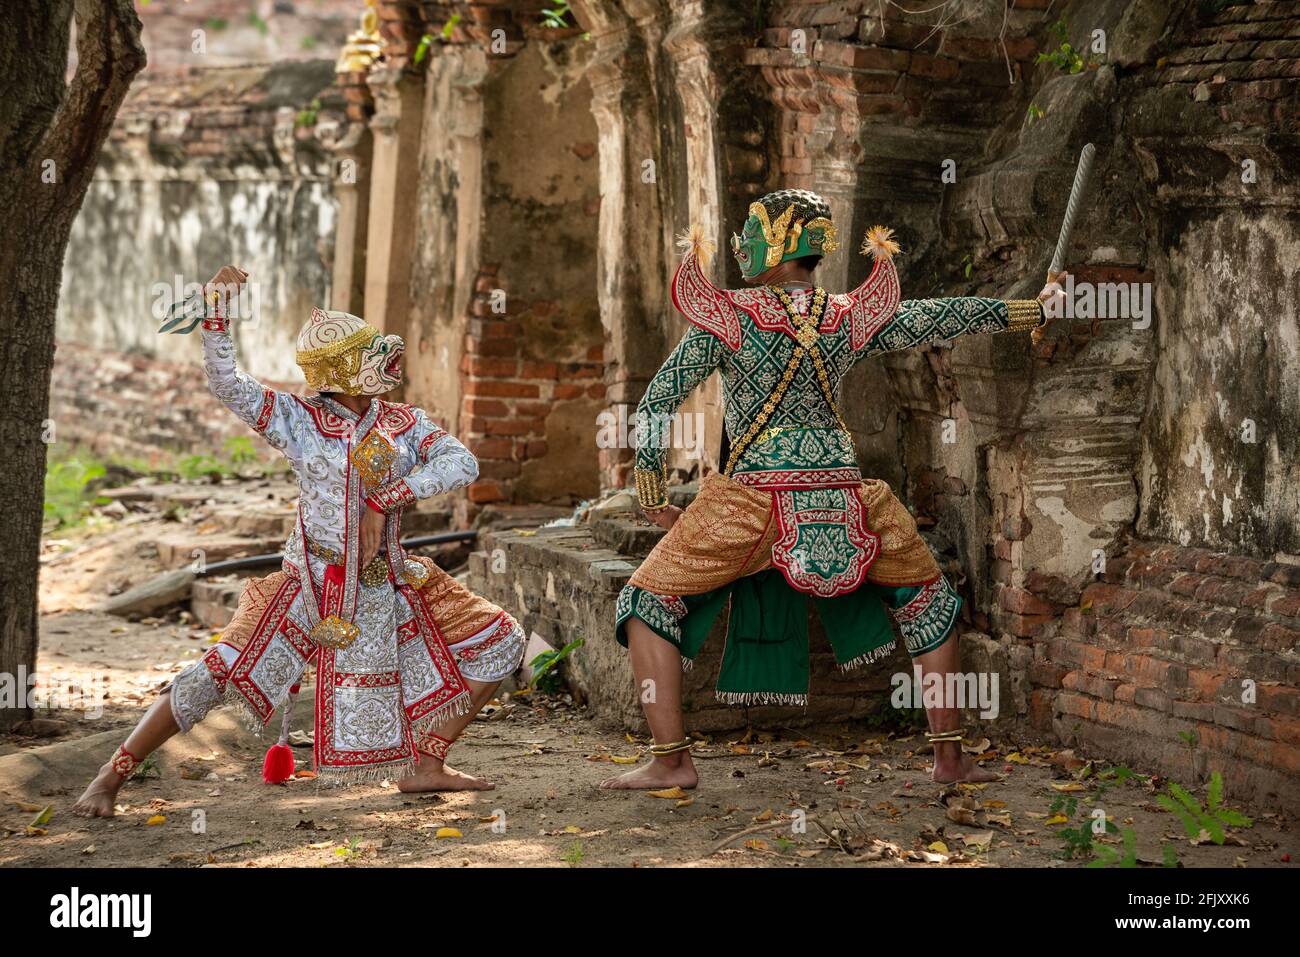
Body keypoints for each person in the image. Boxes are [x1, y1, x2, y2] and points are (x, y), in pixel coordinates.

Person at [601, 189, 1066, 790]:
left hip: (752, 504)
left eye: (749, 233)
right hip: (846, 501)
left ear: (772, 245)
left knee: (644, 604)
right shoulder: (847, 315)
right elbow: (937, 317)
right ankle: (949, 759)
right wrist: (1029, 309)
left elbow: (659, 402)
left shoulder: (729, 315)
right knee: (932, 604)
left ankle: (672, 761)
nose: (740, 245)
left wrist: (651, 490)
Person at [73, 265, 525, 817]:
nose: (387, 363)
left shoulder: (405, 423)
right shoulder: (297, 418)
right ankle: (110, 774)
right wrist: (216, 315)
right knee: (216, 672)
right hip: (306, 584)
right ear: (339, 372)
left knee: (500, 639)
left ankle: (426, 764)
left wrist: (389, 497)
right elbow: (227, 383)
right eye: (371, 356)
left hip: (388, 582)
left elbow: (463, 462)